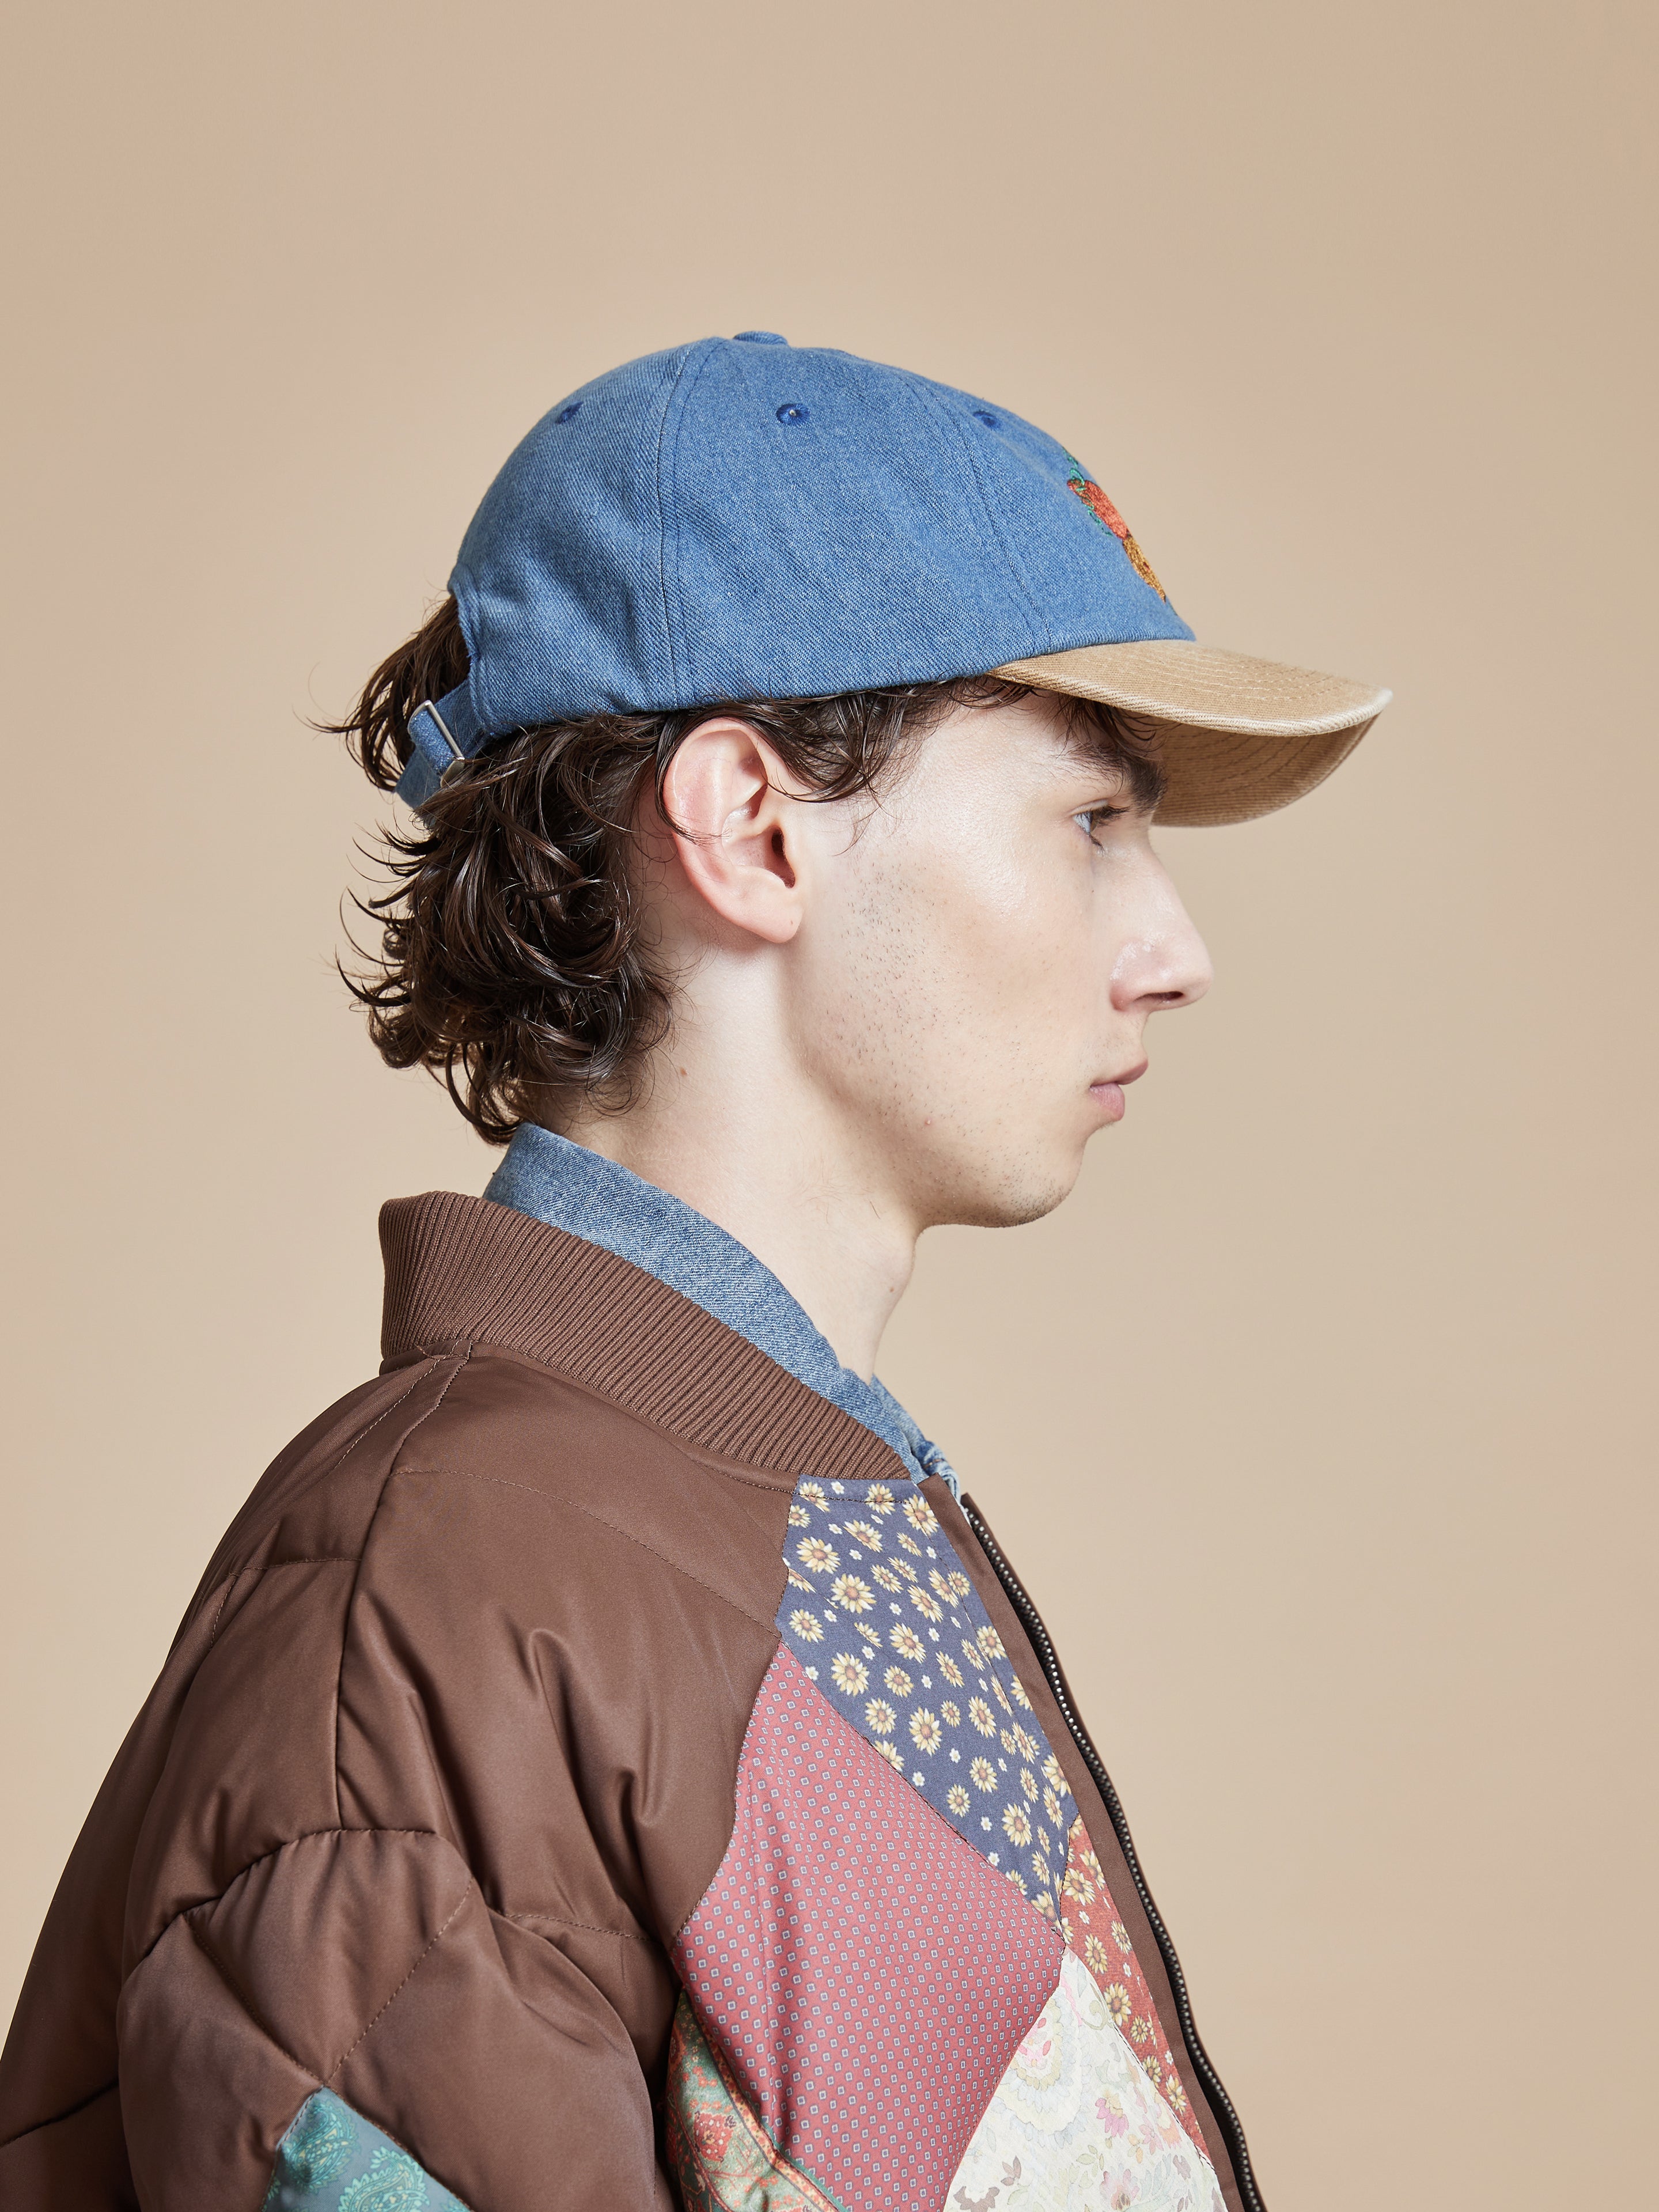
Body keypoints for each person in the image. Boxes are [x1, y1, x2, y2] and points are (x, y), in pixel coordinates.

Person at [0, 334, 1388, 2212]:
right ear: (751, 826)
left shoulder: (750, 1502)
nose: (1173, 948)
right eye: (1092, 818)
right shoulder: (437, 1605)